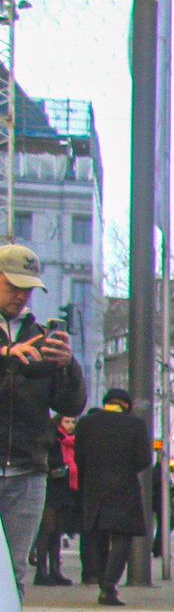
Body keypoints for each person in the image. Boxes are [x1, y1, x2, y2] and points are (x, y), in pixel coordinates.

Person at [0, 247, 85, 591]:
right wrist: (5, 356)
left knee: (14, 573)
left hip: (26, 470)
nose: (20, 295)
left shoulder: (38, 335)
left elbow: (70, 405)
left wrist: (67, 366)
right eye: (12, 286)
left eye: (28, 288)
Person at [74, 388, 150, 608]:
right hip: (124, 488)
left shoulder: (86, 423)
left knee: (96, 535)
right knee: (121, 538)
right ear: (126, 405)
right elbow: (143, 459)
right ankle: (109, 584)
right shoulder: (135, 425)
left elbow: (79, 456)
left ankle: (101, 582)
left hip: (94, 487)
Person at [34, 412, 74, 585]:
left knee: (57, 531)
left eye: (73, 422)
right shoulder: (52, 439)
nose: (71, 425)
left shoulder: (71, 442)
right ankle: (41, 571)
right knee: (47, 530)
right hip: (50, 487)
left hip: (64, 489)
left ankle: (55, 569)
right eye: (67, 421)